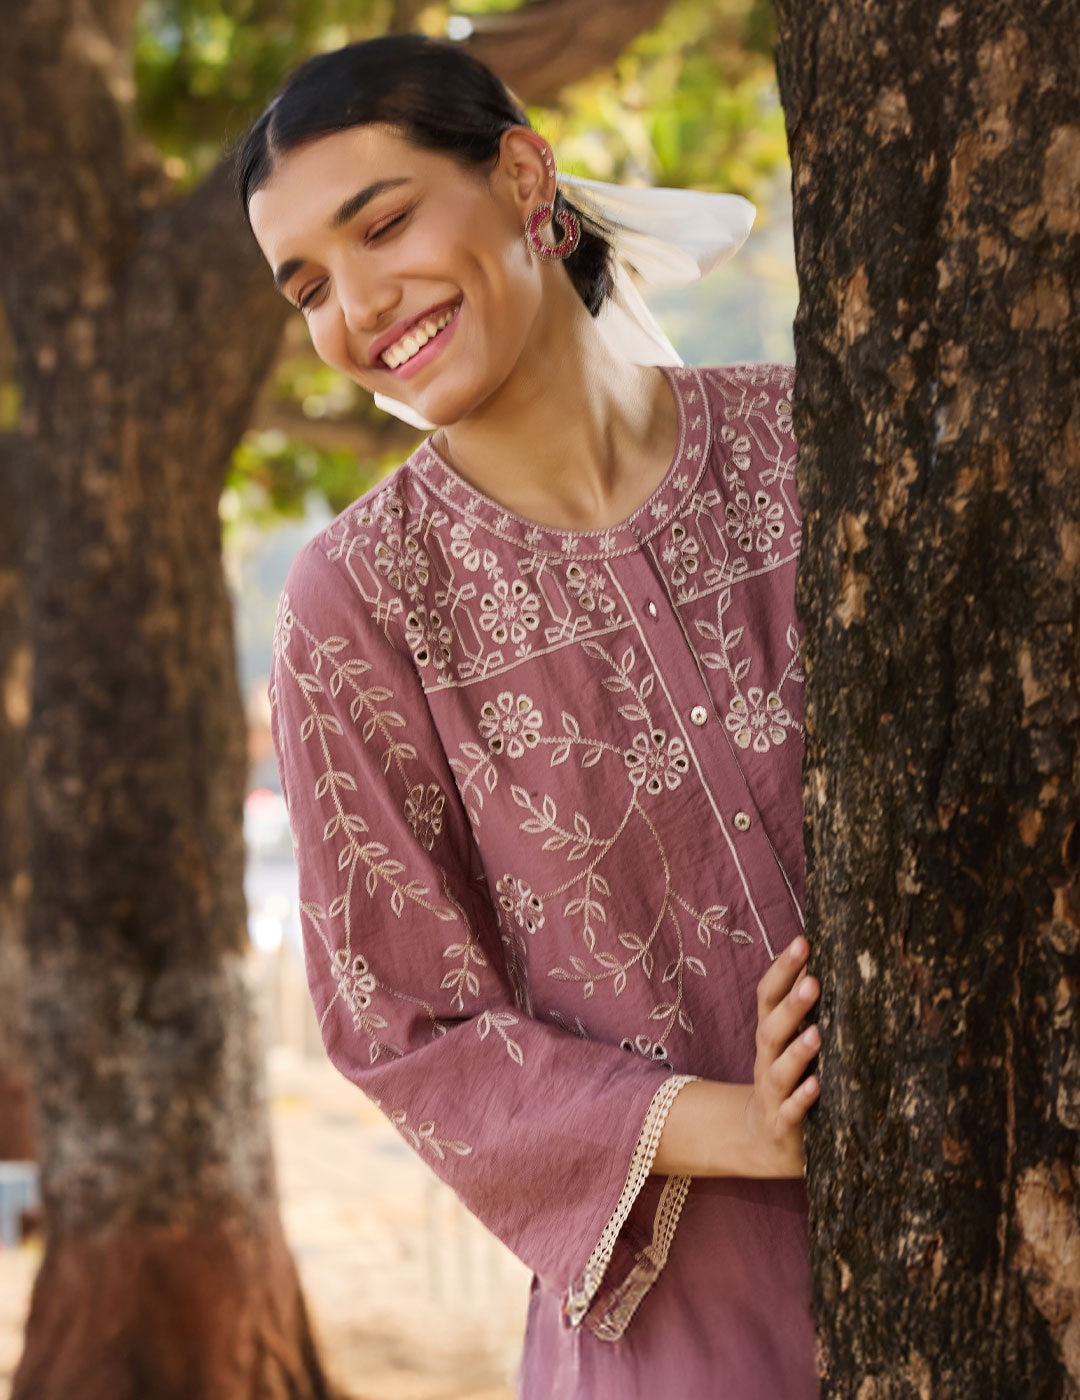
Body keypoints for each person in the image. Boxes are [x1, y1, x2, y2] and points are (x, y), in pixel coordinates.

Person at [238, 32, 822, 1399]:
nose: (357, 308)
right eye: (308, 286)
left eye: (382, 225)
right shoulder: (360, 603)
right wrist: (733, 1124)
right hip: (685, 1329)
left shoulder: (807, 443)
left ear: (520, 176)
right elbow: (399, 1020)